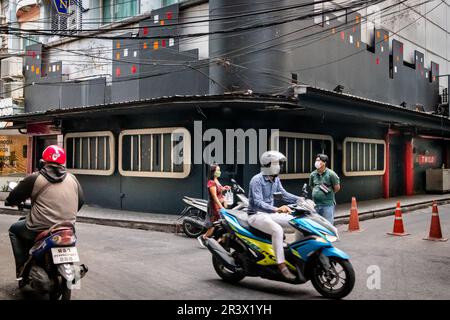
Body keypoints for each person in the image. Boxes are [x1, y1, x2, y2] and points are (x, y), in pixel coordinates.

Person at [6, 145, 84, 278]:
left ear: (43, 162)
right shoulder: (73, 179)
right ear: (63, 163)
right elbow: (80, 202)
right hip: (67, 227)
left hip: (39, 227)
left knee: (14, 230)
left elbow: (12, 199)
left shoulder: (34, 178)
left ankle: (21, 268)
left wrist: (10, 202)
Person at [247, 151, 300, 281]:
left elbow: (284, 194)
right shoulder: (256, 180)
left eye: (279, 164)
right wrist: (277, 209)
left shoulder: (275, 179)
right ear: (267, 164)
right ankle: (281, 265)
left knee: (299, 223)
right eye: (276, 164)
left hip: (270, 214)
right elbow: (257, 202)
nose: (279, 167)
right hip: (256, 215)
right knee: (277, 230)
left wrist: (301, 200)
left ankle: (297, 256)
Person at [198, 164, 230, 248]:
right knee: (213, 225)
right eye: (217, 170)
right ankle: (203, 237)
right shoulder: (211, 182)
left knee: (219, 223)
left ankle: (216, 240)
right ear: (213, 172)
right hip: (214, 206)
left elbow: (218, 190)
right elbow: (214, 197)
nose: (219, 172)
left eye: (219, 170)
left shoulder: (216, 180)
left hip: (219, 205)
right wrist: (221, 207)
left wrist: (224, 188)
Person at [309, 153, 340, 225]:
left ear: (324, 163)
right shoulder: (313, 174)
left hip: (327, 205)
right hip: (316, 205)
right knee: (317, 226)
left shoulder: (331, 174)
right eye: (316, 160)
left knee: (327, 225)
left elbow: (337, 188)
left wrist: (327, 194)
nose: (316, 162)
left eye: (319, 160)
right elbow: (312, 187)